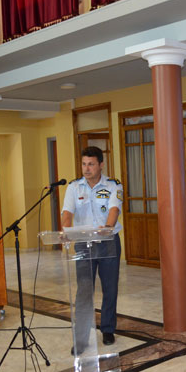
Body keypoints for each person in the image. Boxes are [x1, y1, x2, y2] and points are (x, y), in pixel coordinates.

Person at [62, 146, 123, 355]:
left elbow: (114, 209)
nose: (86, 169)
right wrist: (66, 231)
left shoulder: (113, 185)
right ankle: (81, 337)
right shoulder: (74, 187)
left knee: (110, 288)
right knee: (84, 291)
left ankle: (107, 329)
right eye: (84, 164)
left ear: (101, 165)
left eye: (91, 164)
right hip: (83, 243)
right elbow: (67, 212)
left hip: (108, 241)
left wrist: (107, 228)